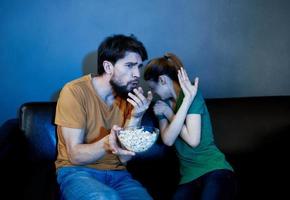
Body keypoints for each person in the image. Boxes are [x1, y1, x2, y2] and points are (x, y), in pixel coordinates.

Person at [55, 34, 153, 200]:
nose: (137, 74)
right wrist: (108, 141)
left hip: (119, 174)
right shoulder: (75, 91)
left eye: (139, 67)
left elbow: (123, 158)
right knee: (106, 198)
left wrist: (136, 117)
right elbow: (75, 156)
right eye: (129, 66)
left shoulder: (130, 98)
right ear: (108, 67)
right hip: (77, 172)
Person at [144, 53, 236, 200]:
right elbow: (168, 139)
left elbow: (193, 140)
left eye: (153, 88)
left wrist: (170, 112)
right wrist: (167, 111)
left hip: (214, 168)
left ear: (162, 80)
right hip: (188, 177)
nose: (154, 93)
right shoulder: (162, 105)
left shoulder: (192, 94)